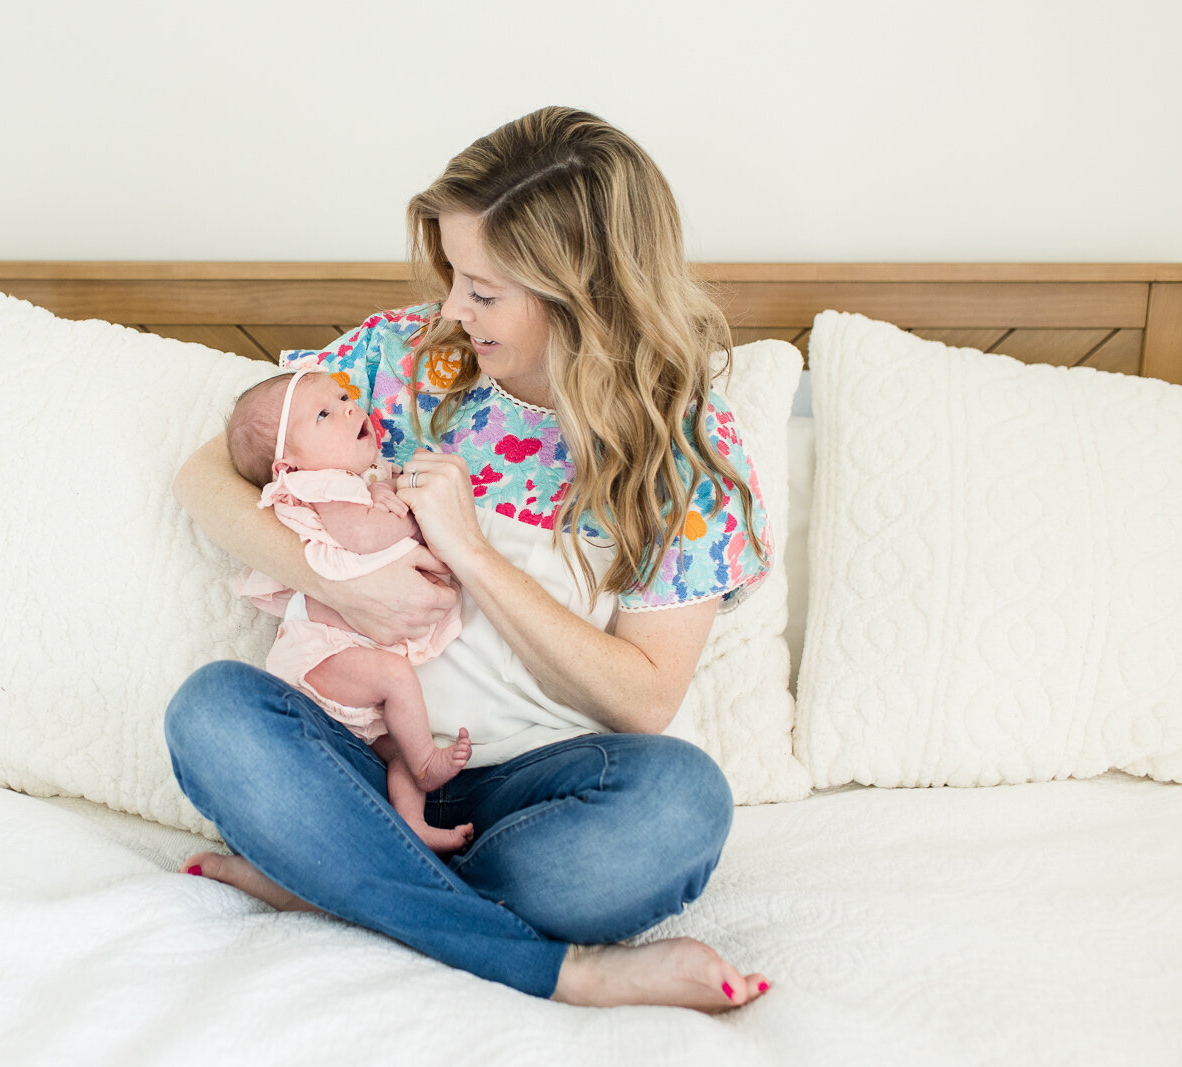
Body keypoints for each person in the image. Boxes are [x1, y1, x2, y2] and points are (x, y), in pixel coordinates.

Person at [166, 105, 775, 1012]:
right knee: (213, 711)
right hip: (364, 763)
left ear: (585, 293)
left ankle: (340, 876)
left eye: (484, 291)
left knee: (683, 804)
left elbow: (643, 698)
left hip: (535, 791)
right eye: (454, 275)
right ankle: (561, 969)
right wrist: (341, 581)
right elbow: (205, 473)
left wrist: (476, 556)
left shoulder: (679, 453)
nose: (452, 308)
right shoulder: (410, 362)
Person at [224, 368, 474, 853]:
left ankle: (414, 826)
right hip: (326, 656)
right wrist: (406, 512)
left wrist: (385, 491)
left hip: (350, 667)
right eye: (323, 414)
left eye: (343, 397)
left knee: (398, 744)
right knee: (398, 679)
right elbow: (363, 535)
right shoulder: (319, 487)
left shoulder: (361, 479)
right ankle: (424, 767)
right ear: (287, 466)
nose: (347, 409)